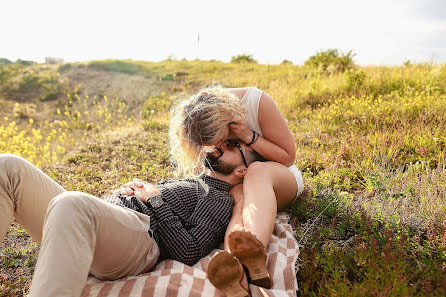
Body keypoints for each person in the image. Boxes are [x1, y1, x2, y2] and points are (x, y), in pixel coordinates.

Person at [0, 141, 259, 297]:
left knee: (73, 203)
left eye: (235, 146)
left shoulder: (218, 198)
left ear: (242, 170)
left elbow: (188, 249)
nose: (223, 145)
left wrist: (155, 200)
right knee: (9, 167)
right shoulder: (191, 181)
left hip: (140, 241)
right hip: (100, 225)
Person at [169, 84, 304, 294]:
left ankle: (256, 250)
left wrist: (248, 135)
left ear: (224, 121)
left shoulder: (256, 102)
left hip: (277, 173)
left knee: (256, 171)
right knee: (237, 199)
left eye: (221, 141)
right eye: (211, 148)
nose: (217, 149)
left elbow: (287, 157)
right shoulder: (197, 124)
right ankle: (235, 272)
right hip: (238, 181)